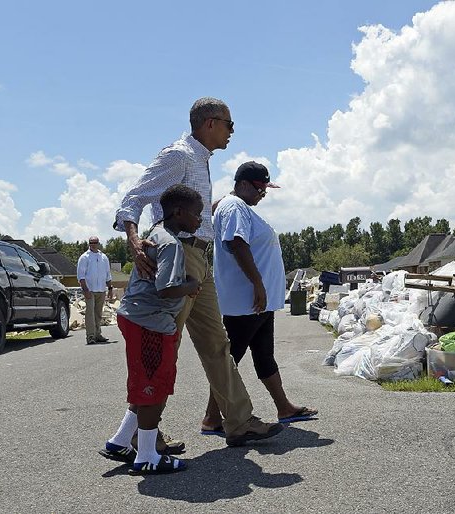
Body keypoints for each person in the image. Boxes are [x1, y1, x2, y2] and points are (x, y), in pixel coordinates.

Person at [114, 97, 283, 449]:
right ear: (209, 122)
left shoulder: (200, 161)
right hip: (178, 258)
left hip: (200, 260)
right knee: (160, 348)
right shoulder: (179, 155)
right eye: (229, 124)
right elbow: (134, 198)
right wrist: (133, 239)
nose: (232, 131)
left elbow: (194, 211)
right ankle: (142, 436)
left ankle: (238, 421)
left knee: (216, 344)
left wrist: (213, 207)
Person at [202, 162, 317, 435]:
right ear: (242, 184)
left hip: (257, 302)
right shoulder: (235, 207)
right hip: (246, 301)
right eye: (259, 188)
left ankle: (284, 406)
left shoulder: (233, 205)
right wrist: (257, 283)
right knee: (230, 360)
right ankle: (211, 417)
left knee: (264, 355)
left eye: (265, 189)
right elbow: (236, 243)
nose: (262, 194)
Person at [100, 184, 202, 474]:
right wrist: (191, 285)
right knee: (152, 388)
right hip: (150, 322)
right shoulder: (170, 243)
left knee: (148, 382)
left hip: (141, 319)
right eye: (196, 214)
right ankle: (147, 456)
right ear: (179, 212)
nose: (199, 221)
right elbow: (167, 289)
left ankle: (120, 441)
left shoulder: (157, 233)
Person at [76, 236, 113, 345]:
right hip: (90, 289)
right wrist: (85, 289)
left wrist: (110, 288)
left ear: (98, 243)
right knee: (90, 314)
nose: (93, 244)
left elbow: (107, 274)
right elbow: (81, 276)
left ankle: (98, 334)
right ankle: (90, 336)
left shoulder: (104, 257)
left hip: (101, 289)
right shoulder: (84, 257)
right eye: (91, 242)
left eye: (95, 242)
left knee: (98, 314)